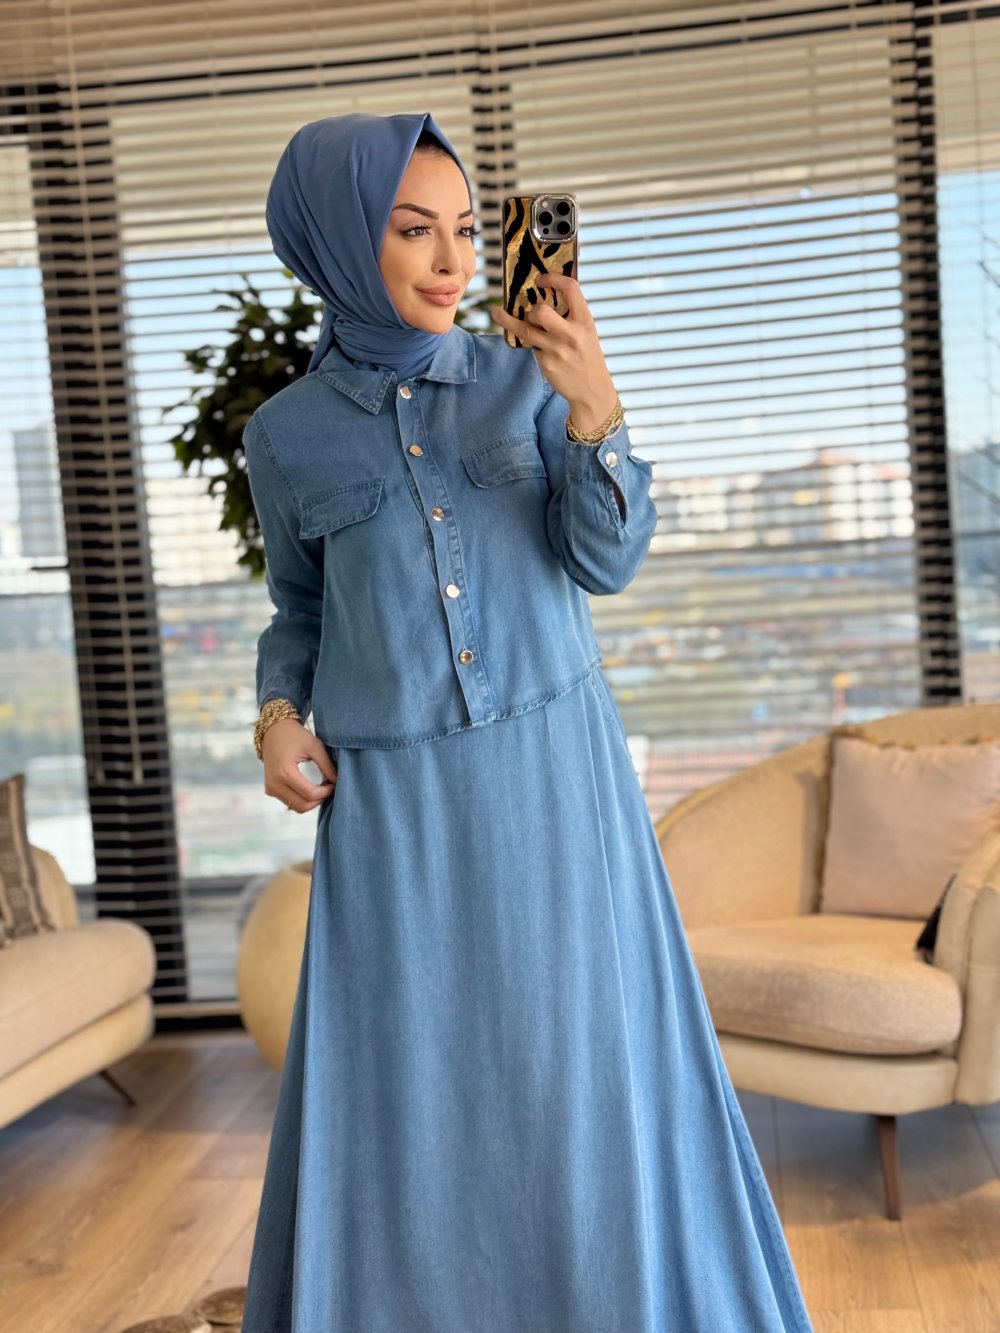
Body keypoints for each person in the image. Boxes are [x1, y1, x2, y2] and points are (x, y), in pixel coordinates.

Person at [239, 111, 814, 1332]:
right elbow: (300, 611)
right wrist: (278, 717)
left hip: (559, 783)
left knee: (585, 1073)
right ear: (337, 238)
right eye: (412, 230)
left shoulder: (524, 379)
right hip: (395, 818)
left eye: (464, 228)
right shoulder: (284, 438)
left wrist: (594, 407)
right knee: (414, 1090)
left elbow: (606, 561)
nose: (452, 260)